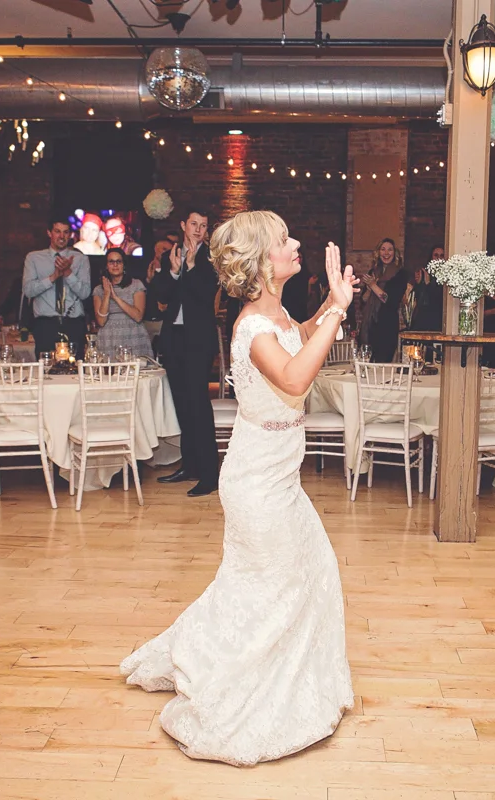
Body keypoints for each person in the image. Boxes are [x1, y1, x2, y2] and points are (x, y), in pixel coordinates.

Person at [121, 211, 358, 766]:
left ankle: (265, 667)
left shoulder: (273, 313)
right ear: (261, 264)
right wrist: (341, 310)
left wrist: (328, 303)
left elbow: (297, 339)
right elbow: (297, 377)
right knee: (273, 589)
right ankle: (241, 690)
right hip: (257, 483)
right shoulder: (250, 326)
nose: (295, 242)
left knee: (305, 572)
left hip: (279, 475)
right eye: (284, 240)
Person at [149, 209, 220, 497]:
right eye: (194, 224)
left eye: (203, 225)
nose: (198, 229)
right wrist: (174, 270)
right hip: (174, 341)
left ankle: (209, 475)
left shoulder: (212, 259)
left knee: (199, 406)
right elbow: (161, 295)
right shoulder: (172, 255)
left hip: (198, 342)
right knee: (182, 406)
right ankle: (189, 466)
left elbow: (205, 296)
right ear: (183, 225)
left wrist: (189, 269)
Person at [24, 217, 92, 360]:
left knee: (75, 373)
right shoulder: (34, 258)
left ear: (70, 235)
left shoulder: (80, 259)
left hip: (73, 323)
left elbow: (85, 293)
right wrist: (53, 277)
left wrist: (68, 273)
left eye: (66, 232)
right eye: (57, 231)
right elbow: (28, 290)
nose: (62, 236)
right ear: (49, 233)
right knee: (46, 373)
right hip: (45, 325)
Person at [92, 247, 151, 357]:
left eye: (119, 261)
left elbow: (138, 316)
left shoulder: (136, 285)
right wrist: (107, 294)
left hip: (132, 334)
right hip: (109, 337)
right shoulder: (98, 290)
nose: (115, 265)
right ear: (106, 265)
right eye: (111, 262)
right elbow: (101, 321)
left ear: (124, 265)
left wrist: (115, 297)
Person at [358, 238, 403, 362]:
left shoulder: (400, 274)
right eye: (383, 249)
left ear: (395, 253)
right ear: (378, 253)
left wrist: (373, 285)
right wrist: (368, 288)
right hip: (370, 326)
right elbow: (363, 300)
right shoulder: (373, 272)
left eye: (390, 250)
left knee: (382, 366)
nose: (386, 253)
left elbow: (391, 301)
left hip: (387, 327)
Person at [404, 245, 444, 332]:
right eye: (436, 255)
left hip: (438, 320)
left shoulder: (447, 276)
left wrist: (428, 284)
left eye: (442, 256)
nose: (438, 258)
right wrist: (419, 284)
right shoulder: (424, 273)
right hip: (423, 319)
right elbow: (417, 298)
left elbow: (439, 299)